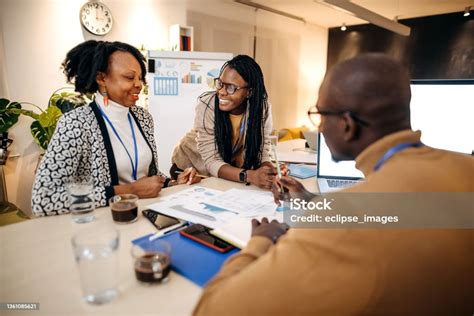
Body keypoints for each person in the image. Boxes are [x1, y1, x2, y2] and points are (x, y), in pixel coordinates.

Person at [193, 54, 474, 315]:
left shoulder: (337, 230)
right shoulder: (466, 169)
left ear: (347, 125)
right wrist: (312, 200)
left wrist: (261, 242)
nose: (319, 127)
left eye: (320, 115)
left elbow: (212, 309)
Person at [32, 40, 200, 216]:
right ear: (101, 78)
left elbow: (147, 173)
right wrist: (128, 191)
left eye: (140, 78)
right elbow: (43, 198)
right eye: (129, 77)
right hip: (102, 227)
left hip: (146, 216)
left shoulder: (142, 117)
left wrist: (172, 183)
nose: (138, 84)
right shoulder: (75, 123)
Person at [171, 55, 278, 190]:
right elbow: (212, 161)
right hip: (190, 167)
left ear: (249, 92)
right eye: (220, 84)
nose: (221, 92)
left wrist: (270, 172)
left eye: (231, 88)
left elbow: (262, 149)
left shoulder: (261, 108)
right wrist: (250, 176)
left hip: (227, 172)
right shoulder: (207, 105)